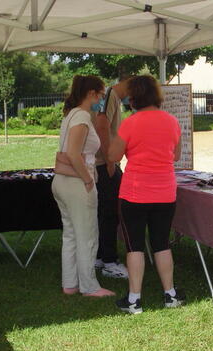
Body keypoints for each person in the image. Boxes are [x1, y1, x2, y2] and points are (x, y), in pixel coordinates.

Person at [108, 75, 185, 314]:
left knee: (135, 247)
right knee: (161, 243)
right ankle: (170, 294)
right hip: (165, 192)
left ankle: (134, 299)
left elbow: (113, 156)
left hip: (135, 193)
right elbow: (176, 156)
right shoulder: (172, 121)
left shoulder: (130, 123)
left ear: (133, 97)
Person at [51, 75, 115, 298]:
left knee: (70, 233)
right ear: (92, 94)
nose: (102, 99)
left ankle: (70, 283)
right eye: (101, 94)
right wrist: (88, 180)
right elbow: (73, 153)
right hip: (77, 183)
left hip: (63, 182)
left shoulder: (72, 115)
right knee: (87, 234)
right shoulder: (81, 117)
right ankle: (89, 286)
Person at [92, 77, 131, 279]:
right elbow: (101, 125)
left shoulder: (111, 96)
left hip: (102, 164)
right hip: (104, 164)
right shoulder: (112, 95)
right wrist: (109, 159)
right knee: (110, 214)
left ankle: (100, 257)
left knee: (103, 213)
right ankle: (109, 261)